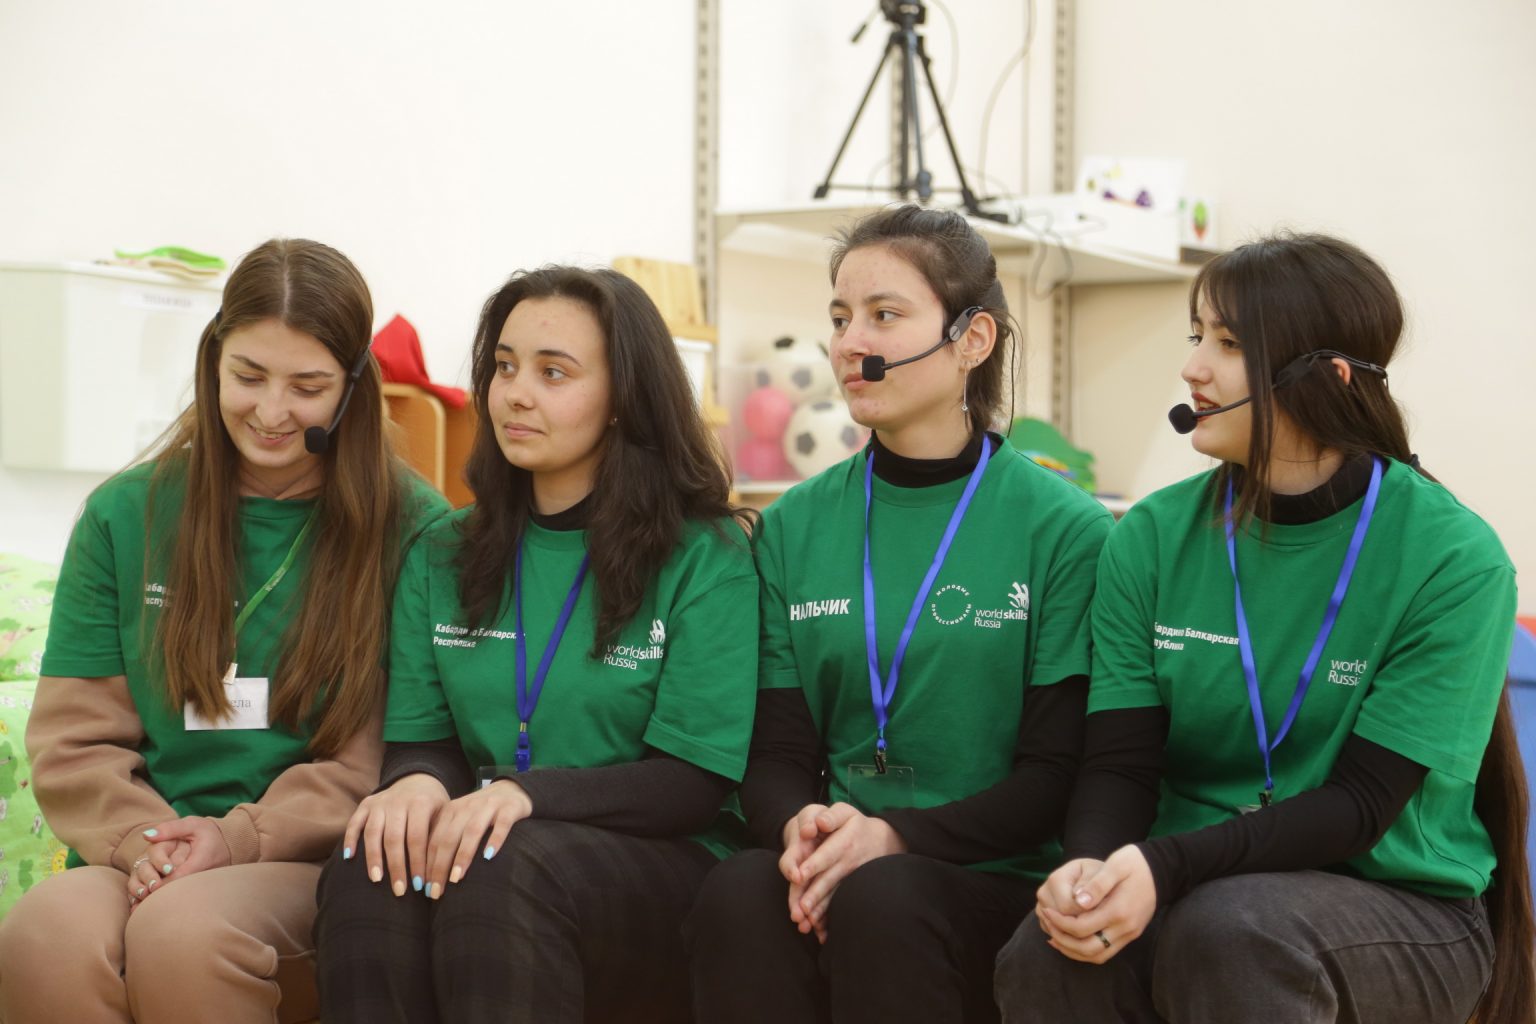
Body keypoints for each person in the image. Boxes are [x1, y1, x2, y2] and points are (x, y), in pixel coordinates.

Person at [995, 232, 1534, 1024]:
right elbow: (1118, 764)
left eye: (1230, 344)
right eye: (1197, 336)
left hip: (1398, 905)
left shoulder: (1453, 556)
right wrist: (1092, 875)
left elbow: (1361, 806)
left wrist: (1164, 867)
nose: (1193, 368)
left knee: (1232, 929)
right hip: (1197, 881)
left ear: (1330, 378)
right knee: (1050, 953)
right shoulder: (1150, 536)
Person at [0, 238, 448, 1023]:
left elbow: (375, 759)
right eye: (248, 376)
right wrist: (144, 841)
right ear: (213, 361)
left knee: (185, 933)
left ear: (352, 387)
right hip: (146, 848)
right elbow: (75, 740)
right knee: (46, 933)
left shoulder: (416, 529)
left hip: (310, 855)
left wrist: (237, 838)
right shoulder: (124, 514)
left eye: (307, 387)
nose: (271, 412)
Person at [685, 205, 1114, 1023]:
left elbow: (1056, 776)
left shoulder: (1067, 529)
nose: (851, 343)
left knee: (884, 897)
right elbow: (777, 751)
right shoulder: (792, 525)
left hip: (995, 875)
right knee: (741, 888)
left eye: (884, 316)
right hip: (847, 854)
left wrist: (896, 837)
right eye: (840, 317)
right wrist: (803, 831)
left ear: (972, 340)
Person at [313, 265, 758, 1024]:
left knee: (504, 862)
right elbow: (426, 741)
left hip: (665, 860)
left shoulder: (704, 556)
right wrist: (416, 783)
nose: (516, 394)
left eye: (554, 373)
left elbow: (691, 782)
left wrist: (528, 794)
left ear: (623, 400)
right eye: (505, 366)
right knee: (369, 860)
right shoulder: (441, 551)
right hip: (500, 836)